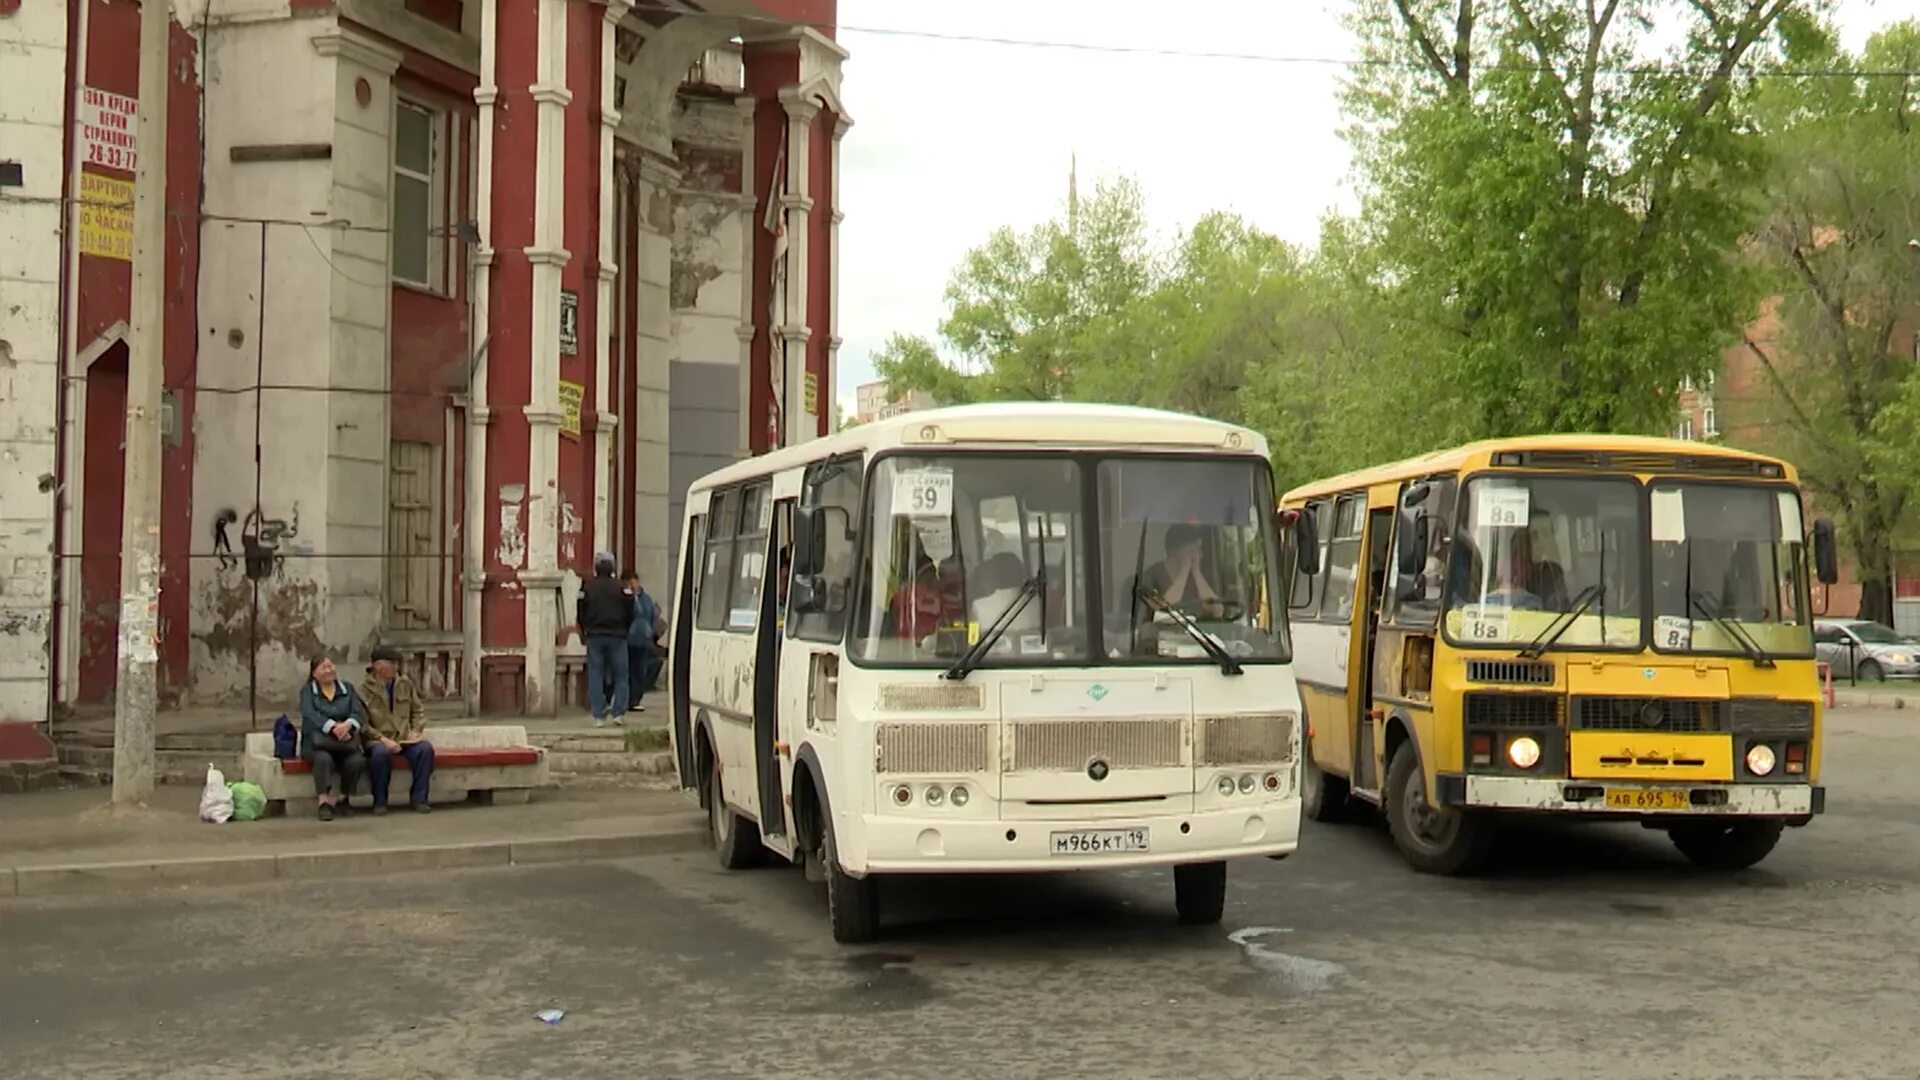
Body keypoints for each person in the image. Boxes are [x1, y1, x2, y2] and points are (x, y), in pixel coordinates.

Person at [358, 645, 435, 815]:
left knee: (425, 749)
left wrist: (415, 730)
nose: (396, 667)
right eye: (391, 663)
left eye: (397, 663)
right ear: (377, 666)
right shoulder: (363, 690)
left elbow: (418, 711)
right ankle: (380, 801)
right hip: (378, 739)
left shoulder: (405, 684)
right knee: (379, 754)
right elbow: (362, 724)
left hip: (403, 737)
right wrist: (382, 739)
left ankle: (419, 798)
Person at [298, 655, 367, 822]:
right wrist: (332, 727)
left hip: (345, 742)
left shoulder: (347, 689)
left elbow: (358, 712)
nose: (328, 670)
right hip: (317, 744)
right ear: (314, 673)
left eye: (330, 666)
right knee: (323, 759)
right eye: (323, 667)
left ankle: (343, 799)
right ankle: (323, 802)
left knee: (356, 760)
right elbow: (310, 714)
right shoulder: (308, 691)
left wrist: (347, 725)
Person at [578, 550, 632, 727]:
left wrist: (585, 629)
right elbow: (631, 610)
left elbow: (580, 611)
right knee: (621, 675)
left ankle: (598, 715)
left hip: (594, 636)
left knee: (595, 674)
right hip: (618, 636)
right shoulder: (622, 588)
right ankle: (618, 713)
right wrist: (625, 628)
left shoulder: (587, 587)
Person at [1139, 524, 1224, 619]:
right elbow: (1163, 612)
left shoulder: (1201, 577)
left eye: (1199, 549)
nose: (1199, 554)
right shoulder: (1151, 576)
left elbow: (1217, 611)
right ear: (1174, 551)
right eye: (1194, 549)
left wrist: (1196, 573)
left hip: (1197, 632)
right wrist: (1184, 571)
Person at [621, 569, 663, 712]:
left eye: (634, 582)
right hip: (627, 640)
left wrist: (651, 631)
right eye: (629, 582)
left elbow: (653, 615)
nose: (632, 585)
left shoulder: (646, 599)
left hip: (643, 639)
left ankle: (636, 698)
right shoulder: (625, 598)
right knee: (627, 670)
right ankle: (627, 699)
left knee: (640, 670)